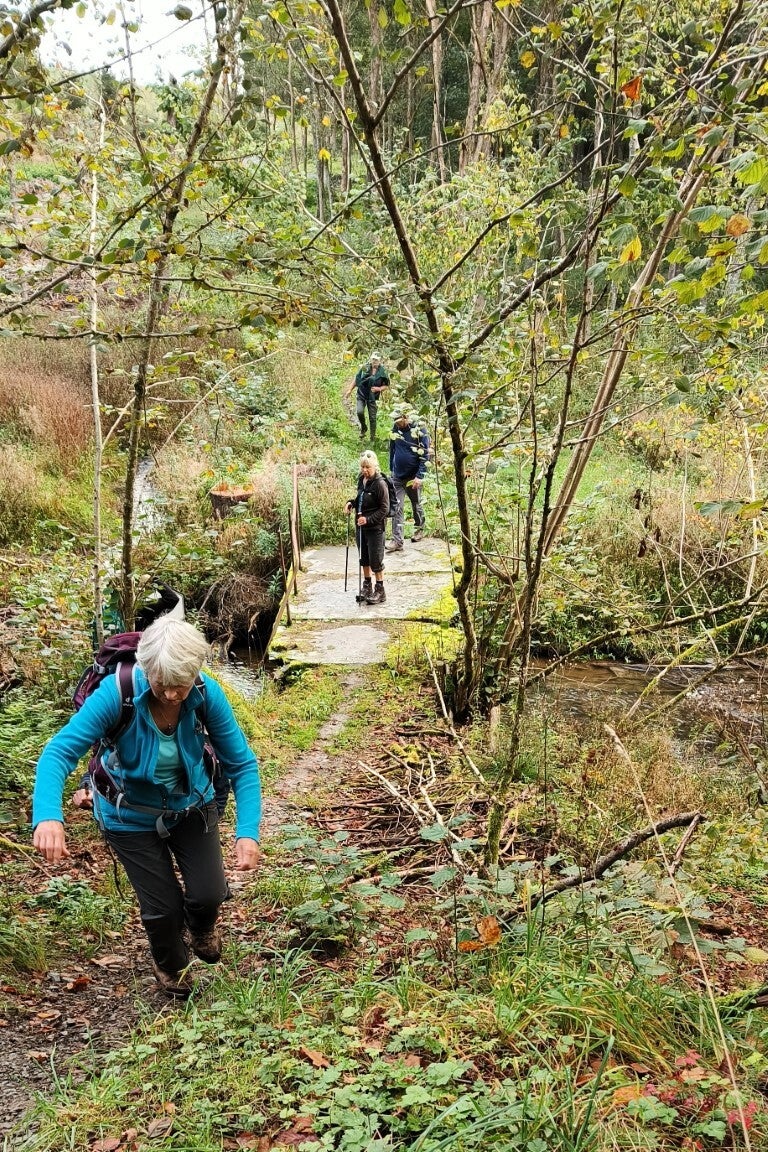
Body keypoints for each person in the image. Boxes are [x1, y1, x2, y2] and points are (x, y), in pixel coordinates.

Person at [32, 617, 262, 998]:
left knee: (209, 893)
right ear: (146, 668)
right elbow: (58, 753)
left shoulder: (206, 693)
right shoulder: (116, 694)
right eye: (162, 683)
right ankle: (170, 966)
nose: (171, 694)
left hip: (192, 805)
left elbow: (242, 764)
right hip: (128, 815)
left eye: (180, 685)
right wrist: (47, 816)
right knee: (163, 909)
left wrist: (248, 832)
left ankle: (201, 927)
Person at [345, 449, 390, 605]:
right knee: (364, 558)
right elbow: (360, 499)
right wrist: (351, 503)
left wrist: (368, 519)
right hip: (361, 527)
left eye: (368, 467)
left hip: (375, 528)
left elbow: (385, 509)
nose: (364, 470)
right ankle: (367, 586)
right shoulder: (361, 480)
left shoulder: (380, 484)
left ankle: (380, 591)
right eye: (363, 467)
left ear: (375, 466)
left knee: (376, 560)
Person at [386, 407, 429, 552]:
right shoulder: (395, 429)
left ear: (406, 418)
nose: (396, 422)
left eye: (398, 420)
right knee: (397, 506)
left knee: (416, 504)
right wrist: (391, 468)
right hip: (397, 476)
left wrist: (420, 476)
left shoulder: (419, 430)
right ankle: (397, 541)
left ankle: (419, 529)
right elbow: (392, 449)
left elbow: (425, 455)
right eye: (394, 420)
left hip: (413, 477)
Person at [343, 352, 390, 443]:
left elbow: (386, 385)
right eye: (373, 359)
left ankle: (372, 438)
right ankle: (363, 427)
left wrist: (379, 389)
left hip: (373, 397)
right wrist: (350, 390)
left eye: (376, 360)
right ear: (371, 359)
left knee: (372, 417)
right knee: (359, 412)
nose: (374, 361)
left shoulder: (383, 371)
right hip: (362, 394)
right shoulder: (365, 368)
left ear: (380, 361)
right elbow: (356, 379)